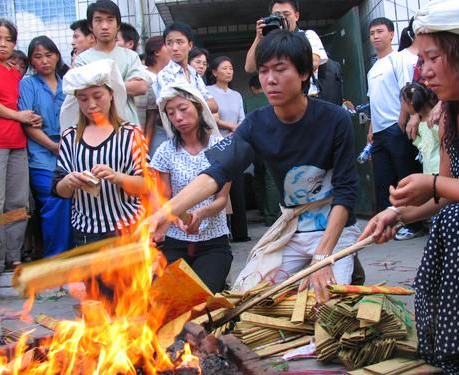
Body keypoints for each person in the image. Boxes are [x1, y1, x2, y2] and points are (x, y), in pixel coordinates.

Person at [144, 30, 360, 304]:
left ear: (304, 72)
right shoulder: (256, 124)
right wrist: (164, 213)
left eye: (280, 70)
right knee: (245, 300)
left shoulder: (336, 119)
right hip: (292, 229)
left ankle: (348, 264)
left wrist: (323, 256)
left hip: (335, 231)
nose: (270, 80)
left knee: (326, 307)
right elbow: (215, 174)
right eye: (263, 70)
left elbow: (346, 192)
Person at [359, 0, 459, 373]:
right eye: (421, 60)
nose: (422, 73)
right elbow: (449, 192)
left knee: (458, 220)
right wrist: (397, 214)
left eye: (433, 58)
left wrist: (432, 182)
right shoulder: (449, 114)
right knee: (451, 218)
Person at [53, 59, 147, 246]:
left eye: (98, 96)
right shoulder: (70, 137)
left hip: (127, 229)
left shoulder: (131, 134)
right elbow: (60, 191)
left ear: (111, 94)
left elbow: (146, 185)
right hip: (86, 233)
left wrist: (116, 177)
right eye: (83, 99)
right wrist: (68, 182)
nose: (92, 104)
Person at [151, 82, 232, 293]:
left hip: (214, 242)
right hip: (176, 241)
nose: (178, 117)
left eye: (183, 109)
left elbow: (222, 200)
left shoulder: (221, 147)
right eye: (171, 113)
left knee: (202, 297)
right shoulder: (165, 152)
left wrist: (202, 213)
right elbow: (164, 197)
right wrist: (173, 215)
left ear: (198, 107)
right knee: (168, 299)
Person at [366, 17, 423, 241]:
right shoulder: (372, 68)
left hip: (395, 126)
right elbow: (372, 100)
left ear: (391, 34)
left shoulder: (397, 59)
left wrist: (406, 118)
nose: (375, 36)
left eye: (380, 31)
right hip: (379, 132)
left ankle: (414, 223)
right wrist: (371, 127)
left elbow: (406, 90)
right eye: (372, 33)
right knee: (383, 180)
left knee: (405, 176)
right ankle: (387, 225)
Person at [19, 36, 73, 257]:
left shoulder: (67, 83)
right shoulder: (28, 84)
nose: (44, 61)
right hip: (41, 153)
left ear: (57, 56)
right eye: (37, 56)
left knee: (71, 203)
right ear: (31, 61)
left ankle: (72, 257)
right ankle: (56, 258)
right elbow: (28, 123)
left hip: (69, 152)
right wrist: (52, 146)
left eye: (48, 55)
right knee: (52, 201)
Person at [0, 19, 42, 272]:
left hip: (17, 143)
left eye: (8, 39)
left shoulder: (15, 72)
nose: (3, 44)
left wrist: (31, 117)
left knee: (17, 203)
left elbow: (19, 106)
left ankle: (13, 255)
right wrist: (18, 116)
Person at [67, 0, 147, 128]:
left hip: (128, 125)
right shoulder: (82, 60)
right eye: (98, 20)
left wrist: (101, 84)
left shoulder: (131, 56)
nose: (104, 26)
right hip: (96, 128)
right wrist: (123, 84)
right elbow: (82, 92)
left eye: (110, 20)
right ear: (90, 26)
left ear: (118, 24)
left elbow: (141, 87)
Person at [207, 56, 249, 242]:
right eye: (224, 68)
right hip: (216, 144)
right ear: (215, 72)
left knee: (237, 188)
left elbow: (242, 118)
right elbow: (211, 117)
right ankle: (221, 232)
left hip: (234, 144)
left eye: (231, 68)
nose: (229, 71)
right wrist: (230, 126)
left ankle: (241, 232)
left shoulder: (237, 95)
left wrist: (237, 129)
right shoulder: (208, 92)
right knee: (217, 188)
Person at [244, 0, 327, 74]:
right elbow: (249, 68)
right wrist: (259, 37)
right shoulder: (270, 42)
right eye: (277, 15)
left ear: (296, 16)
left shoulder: (308, 36)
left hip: (305, 91)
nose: (282, 18)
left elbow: (314, 63)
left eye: (286, 14)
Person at [154, 22, 218, 114]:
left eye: (179, 42)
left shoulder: (194, 74)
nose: (174, 48)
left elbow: (214, 106)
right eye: (169, 43)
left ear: (190, 45)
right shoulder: (164, 75)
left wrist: (190, 105)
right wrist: (200, 104)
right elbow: (174, 110)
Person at [244, 74, 280, 227]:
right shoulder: (274, 99)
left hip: (254, 145)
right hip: (273, 143)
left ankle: (261, 208)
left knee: (258, 175)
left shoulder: (246, 102)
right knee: (271, 178)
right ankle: (271, 216)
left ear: (252, 88)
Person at [136, 36, 169, 157]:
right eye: (168, 44)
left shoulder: (168, 76)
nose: (173, 48)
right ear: (157, 51)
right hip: (151, 137)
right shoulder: (142, 76)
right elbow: (146, 115)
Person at [400, 82, 439, 175]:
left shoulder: (434, 119)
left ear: (410, 103)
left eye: (403, 103)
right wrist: (416, 140)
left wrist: (434, 128)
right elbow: (427, 147)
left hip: (439, 170)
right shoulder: (421, 123)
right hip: (428, 171)